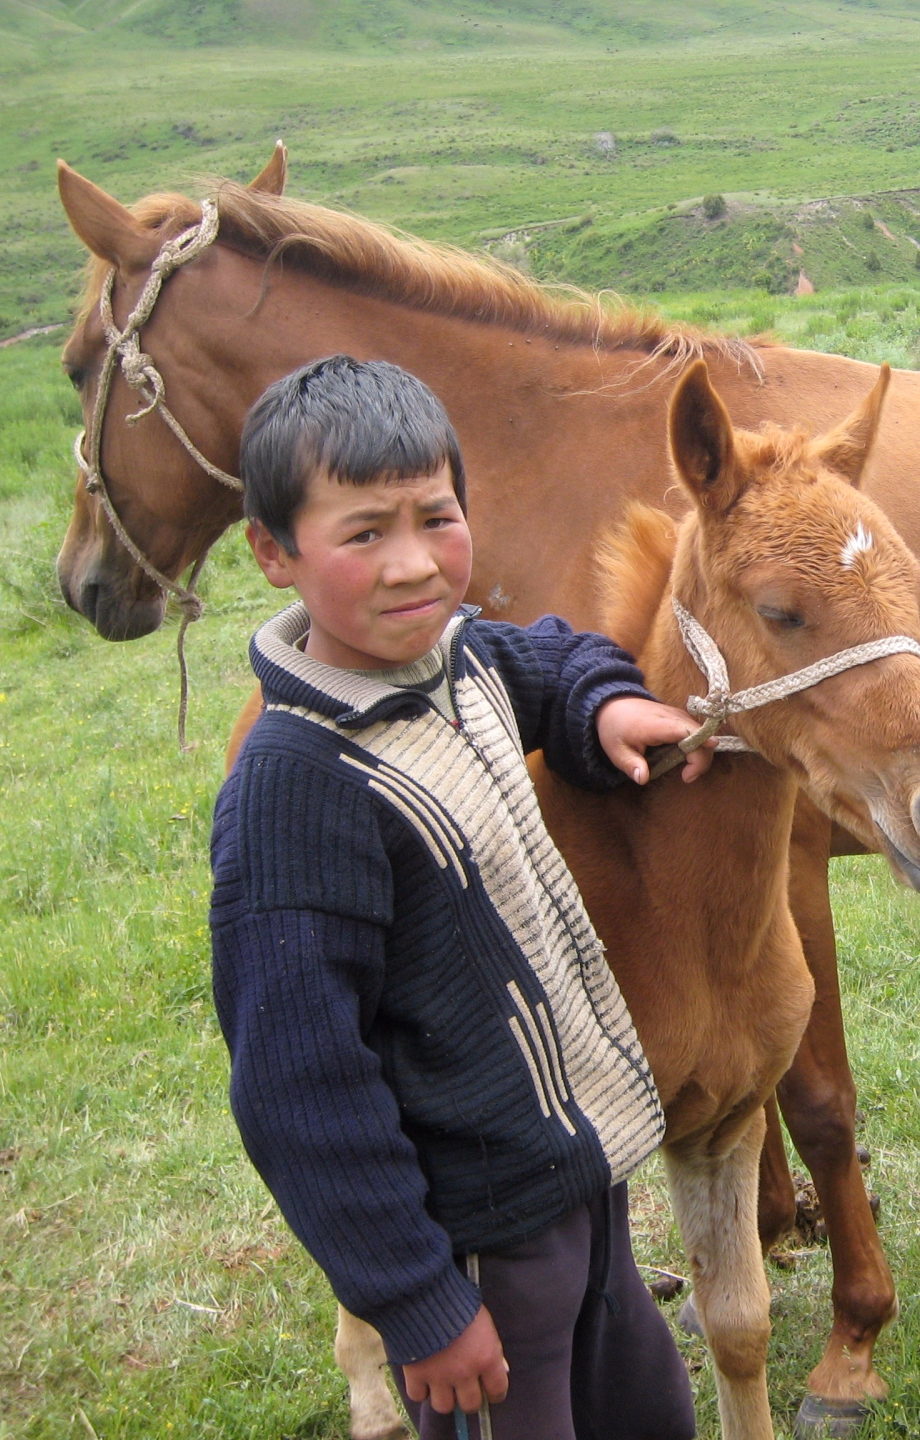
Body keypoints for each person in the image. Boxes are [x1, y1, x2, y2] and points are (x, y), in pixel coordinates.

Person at [209, 356, 712, 1437]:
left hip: (586, 1185)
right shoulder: (299, 788)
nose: (411, 565)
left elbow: (547, 662)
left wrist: (601, 707)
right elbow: (298, 1087)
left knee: (650, 1411)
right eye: (362, 533)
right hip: (477, 1242)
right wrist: (419, 1303)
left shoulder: (457, 661)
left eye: (436, 518)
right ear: (272, 552)